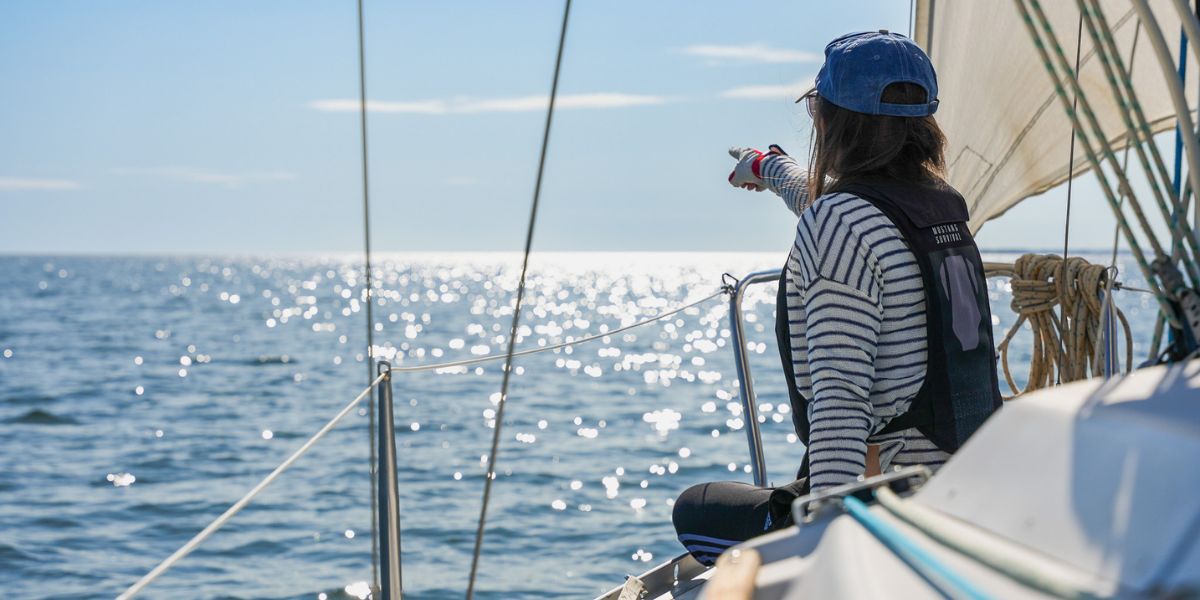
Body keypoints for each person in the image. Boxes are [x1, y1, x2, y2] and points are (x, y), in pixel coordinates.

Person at [672, 30, 1003, 567]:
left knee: (698, 511)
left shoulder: (839, 224)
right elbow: (837, 205)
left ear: (830, 119)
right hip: (964, 475)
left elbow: (841, 399)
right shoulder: (938, 204)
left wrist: (830, 541)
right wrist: (768, 167)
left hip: (895, 500)